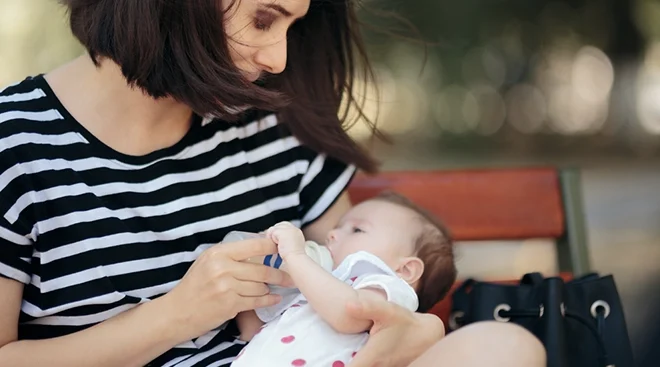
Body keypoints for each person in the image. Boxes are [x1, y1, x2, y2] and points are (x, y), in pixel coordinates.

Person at [0, 0, 547, 366]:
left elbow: (363, 284)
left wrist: (414, 331)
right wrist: (175, 316)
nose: (278, 58)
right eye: (265, 19)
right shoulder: (14, 144)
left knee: (508, 347)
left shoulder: (276, 130)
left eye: (293, 26)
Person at [230, 191, 457, 366]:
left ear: (405, 270)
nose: (332, 234)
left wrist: (296, 256)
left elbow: (350, 312)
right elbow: (254, 330)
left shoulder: (388, 287)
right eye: (339, 227)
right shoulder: (322, 285)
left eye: (357, 230)